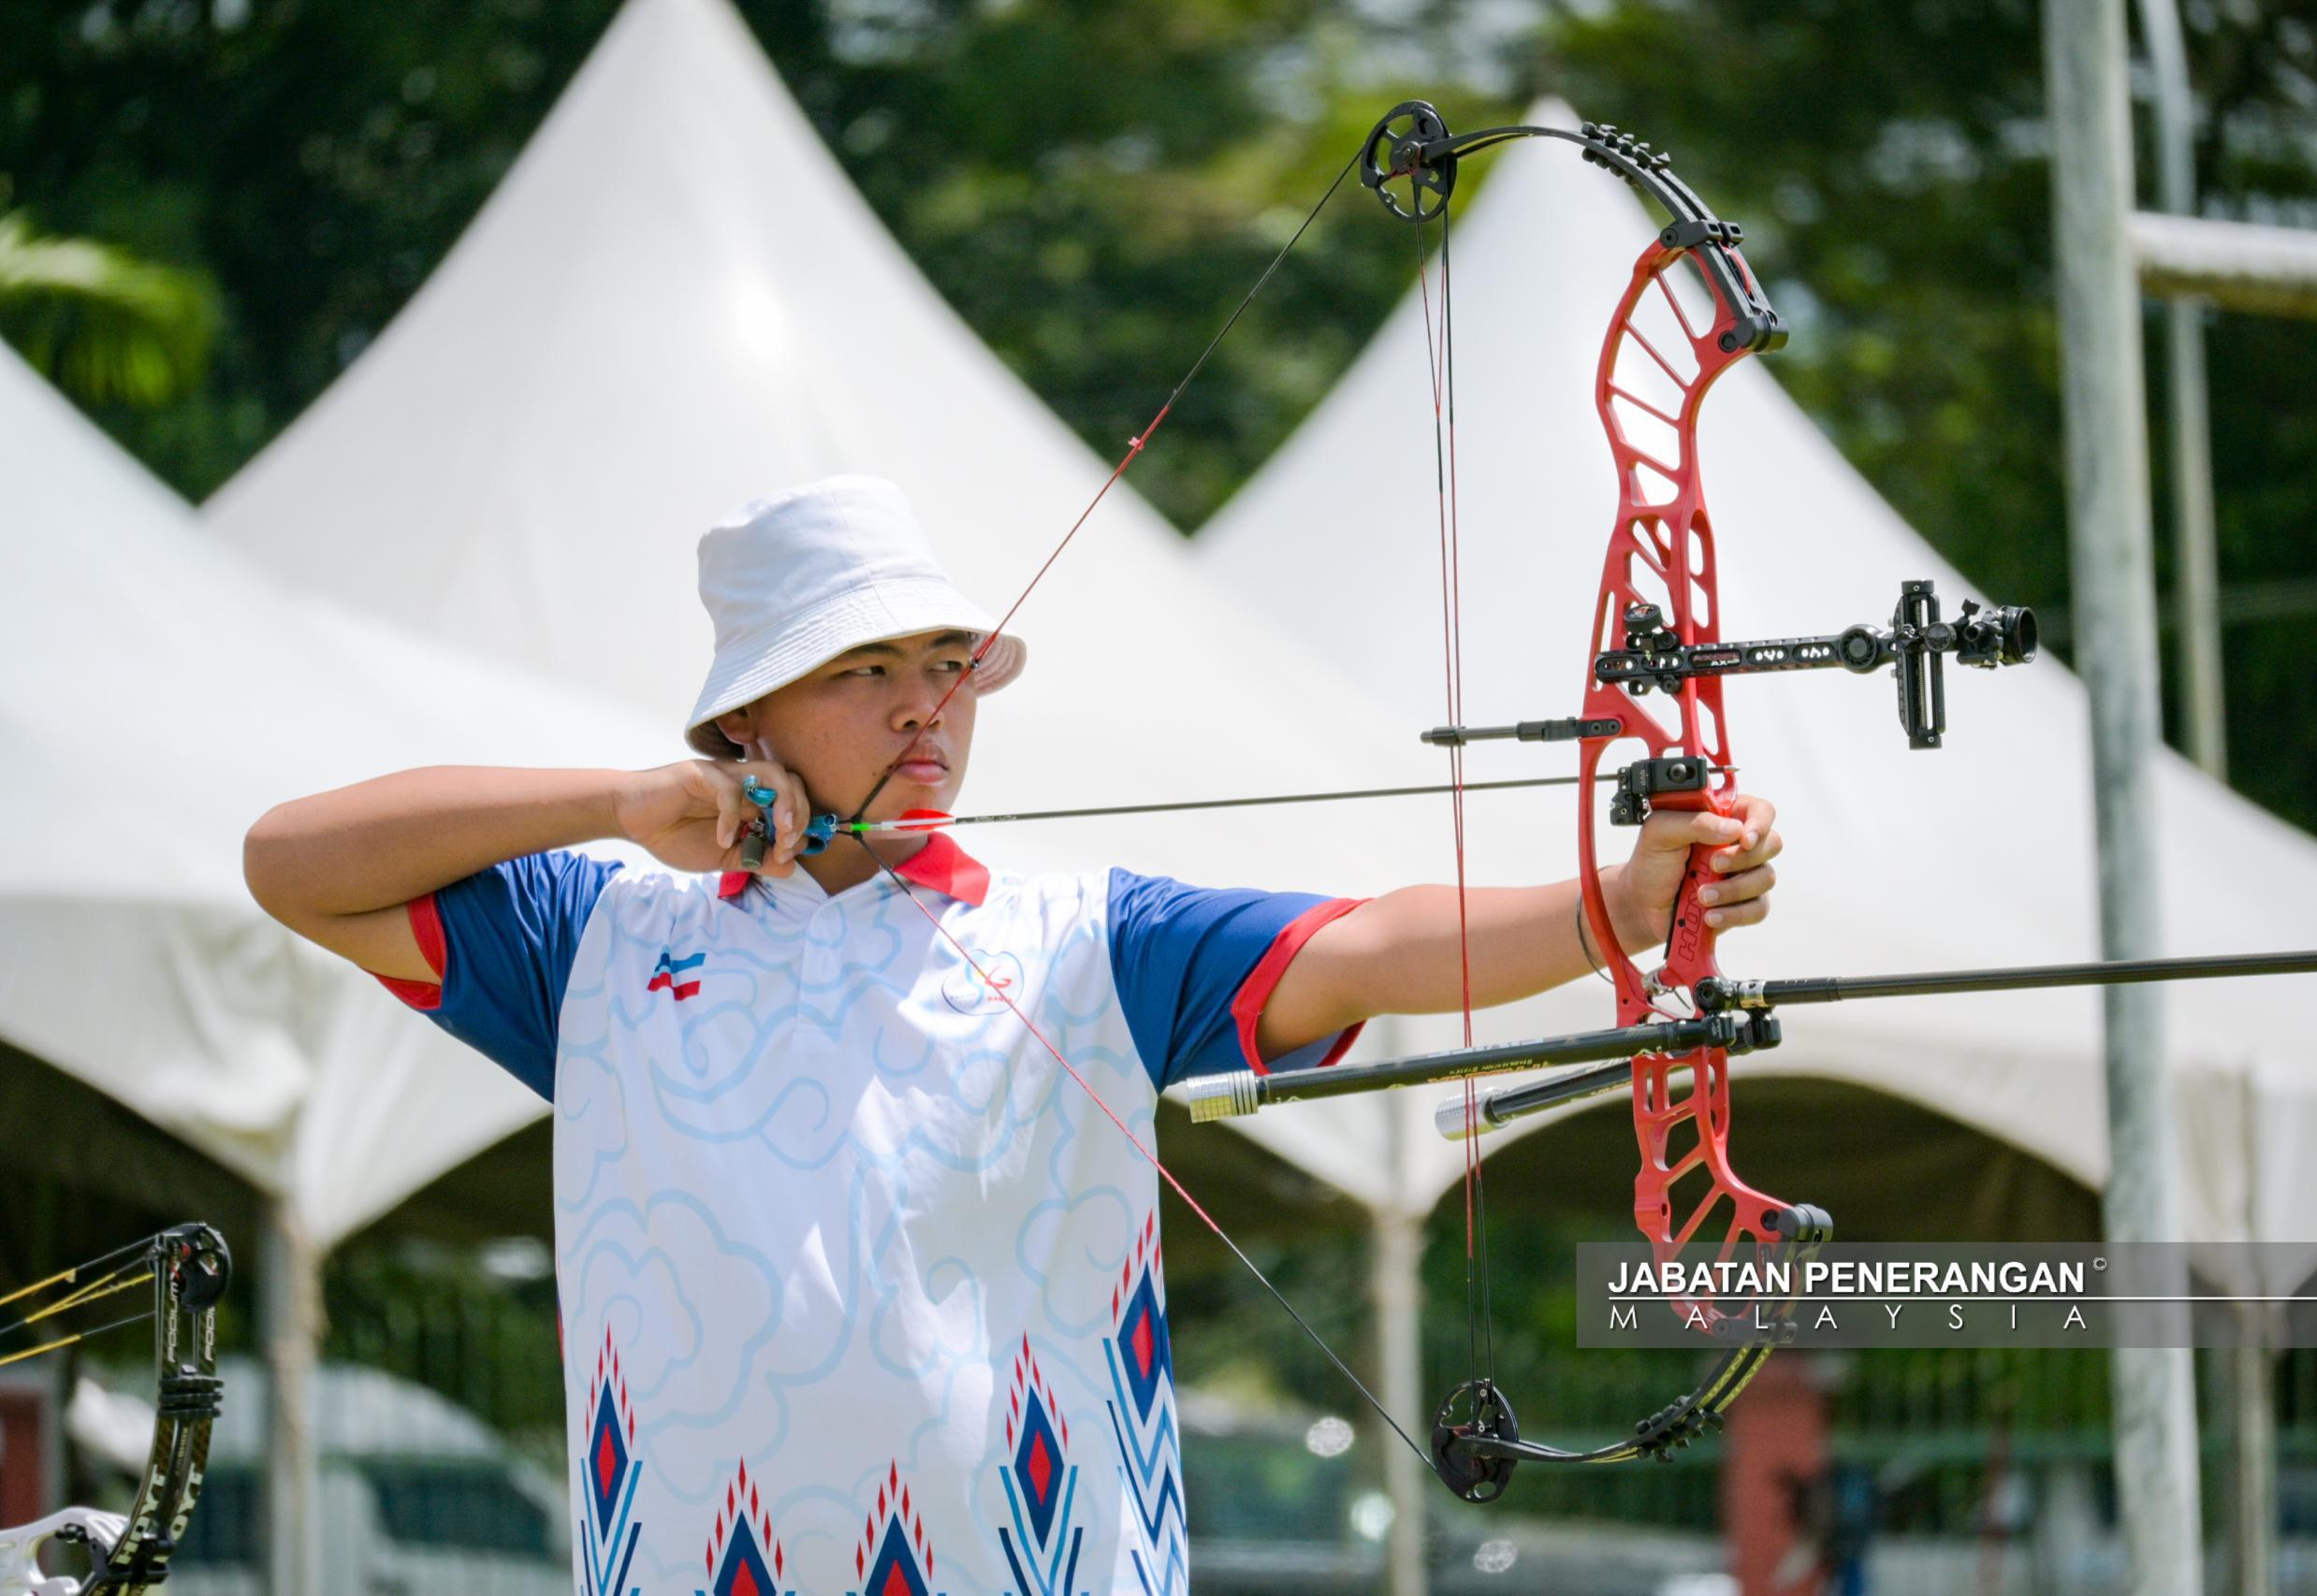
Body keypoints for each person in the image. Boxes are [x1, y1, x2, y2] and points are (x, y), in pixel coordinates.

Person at [244, 474, 1781, 1596]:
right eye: (867, 670)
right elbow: (291, 863)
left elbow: (1365, 940)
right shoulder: (602, 938)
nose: (929, 710)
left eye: (948, 667)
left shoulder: (1079, 940)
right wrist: (615, 805)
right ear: (744, 724)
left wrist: (1619, 904)